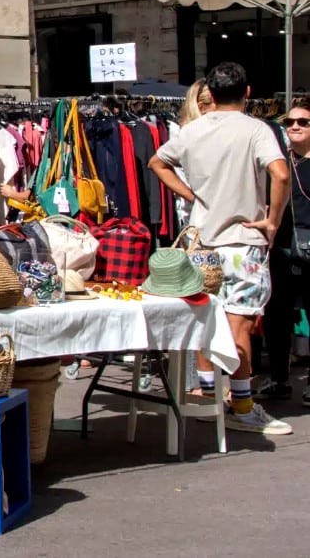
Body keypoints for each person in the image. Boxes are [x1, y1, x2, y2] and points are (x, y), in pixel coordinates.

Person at [148, 62, 293, 435]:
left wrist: (191, 195)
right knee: (238, 324)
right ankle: (241, 406)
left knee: (204, 318)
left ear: (209, 95)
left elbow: (157, 162)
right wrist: (272, 220)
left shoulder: (192, 131)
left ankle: (209, 395)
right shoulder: (256, 129)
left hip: (201, 241)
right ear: (247, 93)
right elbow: (280, 173)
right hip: (243, 242)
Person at [264, 98, 310, 404]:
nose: (294, 126)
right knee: (276, 315)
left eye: (302, 122)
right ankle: (279, 379)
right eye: (289, 122)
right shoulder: (279, 162)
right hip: (281, 248)